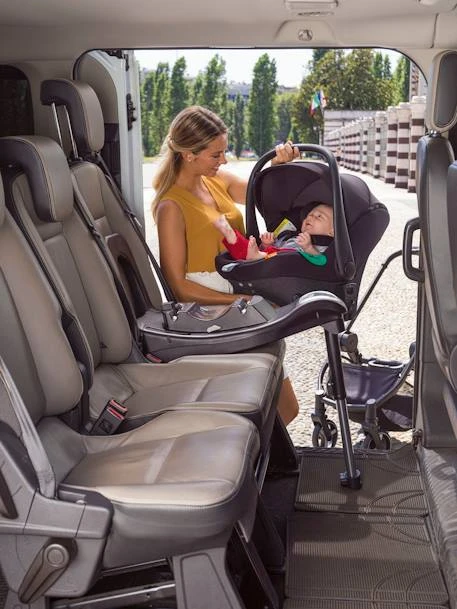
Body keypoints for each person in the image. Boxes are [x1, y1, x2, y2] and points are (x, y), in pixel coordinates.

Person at [152, 105, 300, 426]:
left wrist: (277, 165)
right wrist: (241, 302)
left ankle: (264, 453)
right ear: (189, 155)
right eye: (215, 154)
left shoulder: (215, 180)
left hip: (239, 289)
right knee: (278, 410)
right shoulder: (171, 207)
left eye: (224, 152)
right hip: (213, 309)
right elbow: (179, 287)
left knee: (285, 409)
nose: (224, 161)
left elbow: (262, 193)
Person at [213, 203, 334, 266]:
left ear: (332, 231)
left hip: (289, 267)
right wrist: (267, 245)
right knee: (248, 248)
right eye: (309, 215)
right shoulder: (291, 236)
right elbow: (274, 248)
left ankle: (257, 257)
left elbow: (323, 263)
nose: (311, 217)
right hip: (268, 259)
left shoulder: (325, 246)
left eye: (319, 216)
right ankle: (231, 236)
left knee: (284, 255)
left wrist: (309, 248)